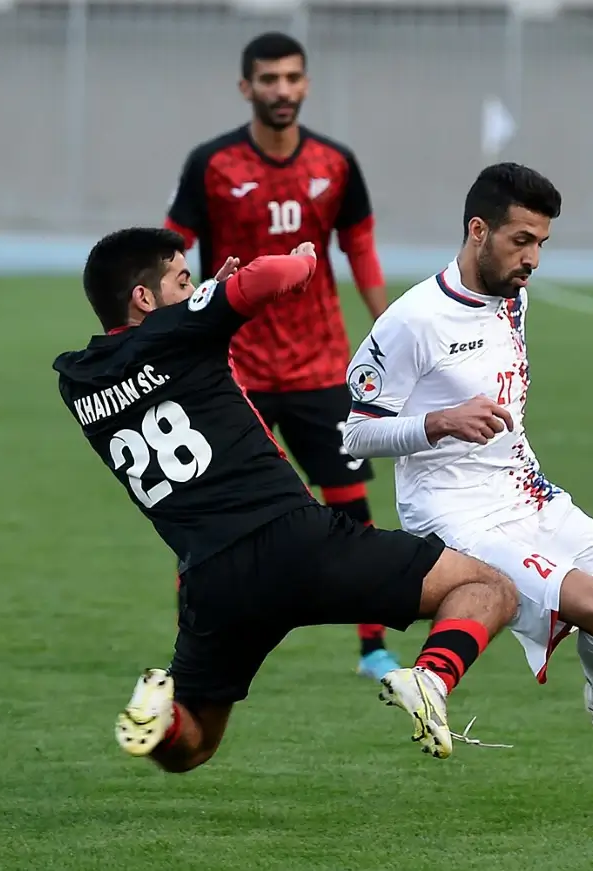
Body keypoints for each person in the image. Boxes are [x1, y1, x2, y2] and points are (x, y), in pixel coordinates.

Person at [52, 227, 517, 770]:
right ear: (142, 297)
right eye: (182, 280)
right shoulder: (182, 330)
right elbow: (271, 278)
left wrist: (202, 310)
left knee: (192, 746)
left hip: (211, 577)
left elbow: (160, 361)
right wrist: (300, 261)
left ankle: (162, 715)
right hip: (295, 542)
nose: (193, 286)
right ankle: (432, 679)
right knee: (488, 587)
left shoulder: (78, 380)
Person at [340, 164, 593, 810]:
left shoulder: (514, 295)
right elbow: (354, 434)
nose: (533, 259)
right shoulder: (412, 321)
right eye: (522, 240)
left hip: (530, 495)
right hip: (458, 516)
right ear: (477, 230)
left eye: (542, 243)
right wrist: (440, 422)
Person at [163, 31, 399, 681]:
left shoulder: (337, 163)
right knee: (212, 510)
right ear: (247, 88)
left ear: (306, 84)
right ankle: (194, 644)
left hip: (321, 364)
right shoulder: (211, 164)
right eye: (268, 79)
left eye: (292, 77)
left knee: (349, 504)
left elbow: (360, 247)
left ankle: (374, 646)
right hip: (231, 368)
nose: (282, 89)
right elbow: (171, 250)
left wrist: (388, 327)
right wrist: (161, 327)